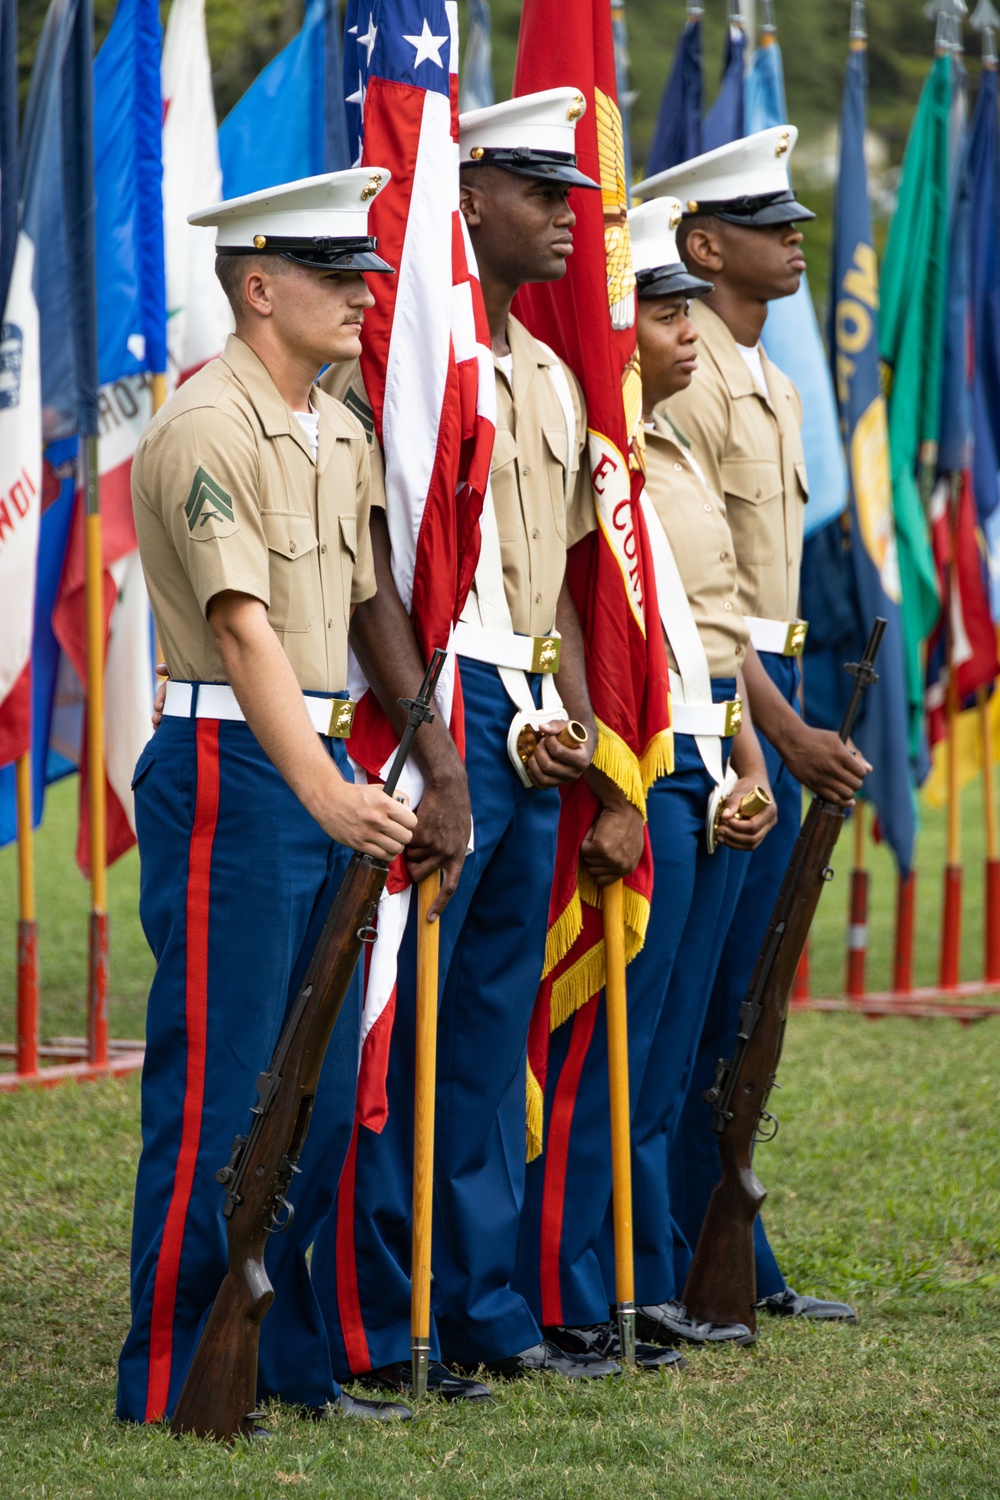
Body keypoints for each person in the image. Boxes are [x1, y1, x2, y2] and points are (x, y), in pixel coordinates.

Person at [309, 88, 640, 1396]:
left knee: (491, 1035)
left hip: (526, 712)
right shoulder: (405, 368)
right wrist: (448, 732)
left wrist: (582, 726)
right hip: (430, 706)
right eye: (541, 192)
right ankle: (383, 1318)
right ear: (470, 195)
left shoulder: (552, 375)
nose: (569, 216)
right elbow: (379, 563)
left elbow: (561, 580)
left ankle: (482, 1302)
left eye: (571, 194)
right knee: (406, 1026)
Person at [117, 171, 419, 1427]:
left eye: (363, 271)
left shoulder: (335, 428)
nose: (362, 295)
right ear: (259, 288)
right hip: (235, 771)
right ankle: (176, 1370)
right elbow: (243, 634)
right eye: (335, 275)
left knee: (313, 1077)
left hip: (317, 764)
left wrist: (370, 775)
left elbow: (353, 614)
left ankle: (278, 1352)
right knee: (222, 1080)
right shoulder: (205, 427)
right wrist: (327, 794)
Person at [514, 195, 778, 1360]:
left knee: (666, 1051)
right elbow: (591, 620)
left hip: (696, 750)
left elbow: (696, 635)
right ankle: (575, 1289)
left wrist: (740, 755)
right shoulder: (611, 461)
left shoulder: (652, 452)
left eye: (684, 310)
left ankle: (631, 1272)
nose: (685, 332)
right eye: (660, 312)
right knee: (608, 1048)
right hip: (635, 762)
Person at [633, 128, 869, 1322]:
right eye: (767, 226)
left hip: (761, 698)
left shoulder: (767, 379)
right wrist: (776, 736)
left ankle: (724, 1255)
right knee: (707, 999)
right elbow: (700, 607)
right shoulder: (692, 384)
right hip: (738, 709)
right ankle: (678, 1252)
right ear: (699, 244)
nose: (794, 240)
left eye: (794, 223)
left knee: (745, 1001)